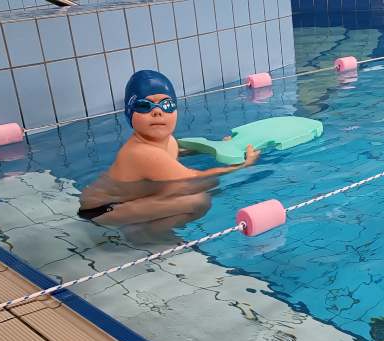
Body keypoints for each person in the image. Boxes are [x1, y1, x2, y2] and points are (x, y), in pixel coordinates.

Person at [78, 70, 260, 238]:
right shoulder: (141, 152)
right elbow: (194, 178)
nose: (157, 112)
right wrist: (242, 165)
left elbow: (178, 153)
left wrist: (220, 146)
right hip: (102, 210)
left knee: (205, 185)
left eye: (166, 104)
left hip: (125, 199)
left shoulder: (168, 141)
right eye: (144, 106)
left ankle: (147, 226)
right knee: (199, 200)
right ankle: (142, 235)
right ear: (129, 114)